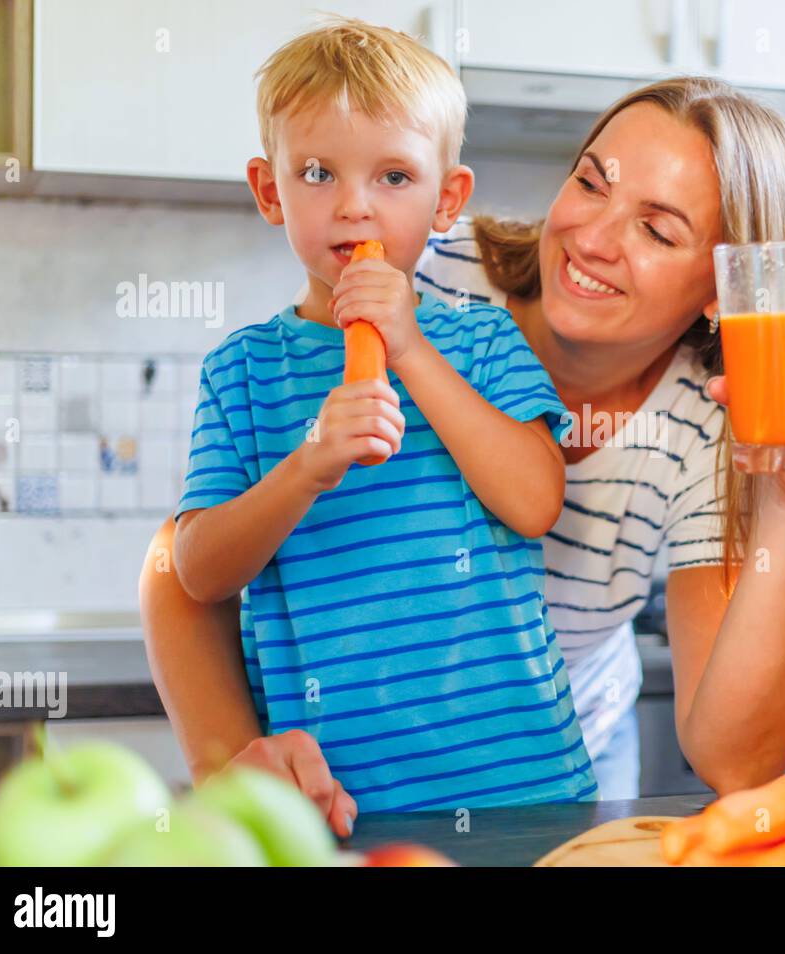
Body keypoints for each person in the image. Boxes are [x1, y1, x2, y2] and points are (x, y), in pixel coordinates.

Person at [142, 55, 785, 837]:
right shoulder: (422, 262)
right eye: (592, 182)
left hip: (535, 773)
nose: (591, 238)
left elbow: (736, 762)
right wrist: (233, 774)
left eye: (657, 229)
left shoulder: (709, 412)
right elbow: (184, 565)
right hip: (345, 785)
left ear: (720, 290)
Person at [168, 18, 597, 826]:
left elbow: (536, 500)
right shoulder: (244, 371)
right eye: (318, 172)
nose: (354, 207)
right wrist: (308, 464)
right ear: (270, 191)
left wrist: (409, 348)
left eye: (394, 176)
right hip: (340, 810)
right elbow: (199, 571)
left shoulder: (480, 339)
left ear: (448, 200)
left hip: (526, 794)